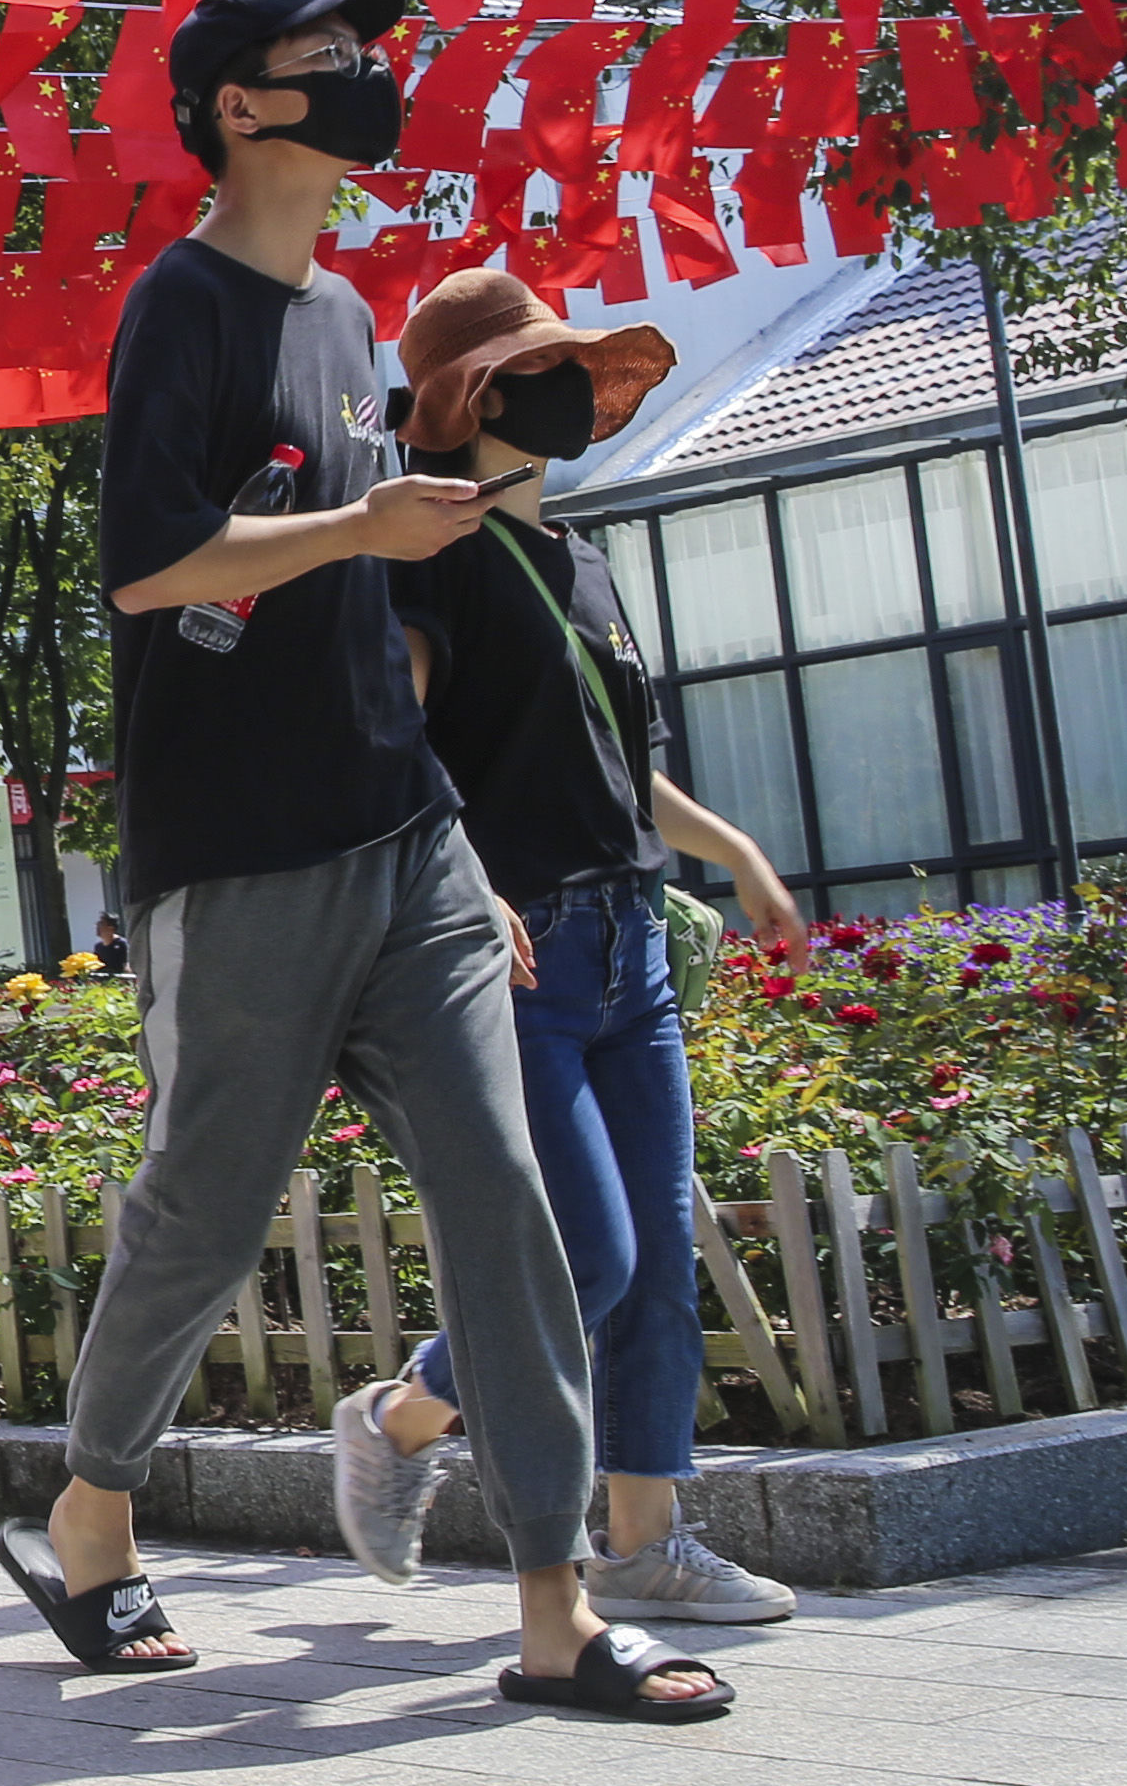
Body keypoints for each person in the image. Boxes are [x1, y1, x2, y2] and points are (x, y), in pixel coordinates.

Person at [0, 0, 734, 1726]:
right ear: (236, 110)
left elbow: (360, 633)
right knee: (202, 1210)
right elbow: (149, 566)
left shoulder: (349, 313)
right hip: (234, 859)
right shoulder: (179, 307)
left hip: (405, 844)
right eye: (318, 62)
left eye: (357, 55)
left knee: (514, 1200)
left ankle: (555, 1613)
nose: (357, 80)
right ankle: (88, 1511)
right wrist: (352, 522)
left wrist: (459, 846)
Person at [343, 267, 811, 1625]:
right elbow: (400, 750)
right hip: (520, 957)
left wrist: (734, 854)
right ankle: (407, 1414)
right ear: (474, 400)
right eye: (540, 371)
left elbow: (607, 761)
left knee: (659, 1260)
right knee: (582, 1261)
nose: (573, 390)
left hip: (629, 946)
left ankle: (645, 1544)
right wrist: (465, 878)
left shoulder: (583, 562)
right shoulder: (428, 560)